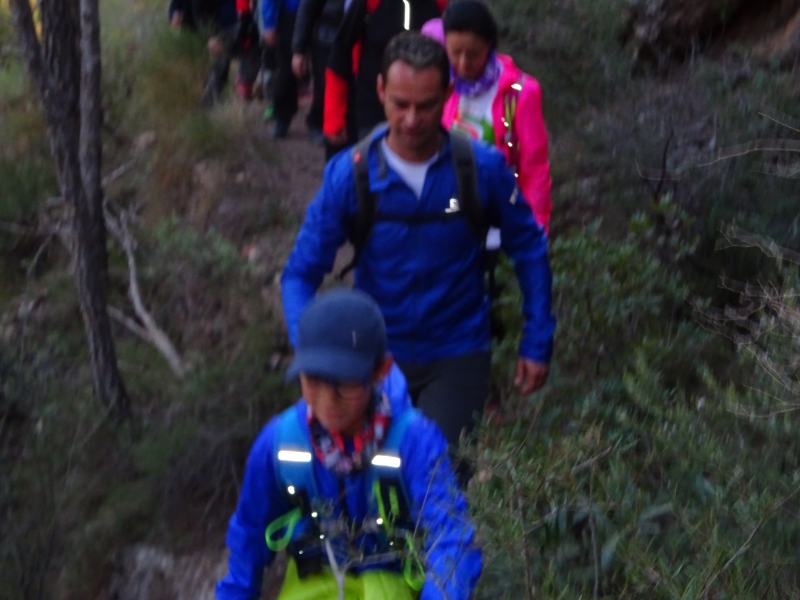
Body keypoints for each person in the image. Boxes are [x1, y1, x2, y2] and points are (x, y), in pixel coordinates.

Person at [281, 32, 555, 451]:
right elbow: (300, 274)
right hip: (374, 356)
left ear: (447, 94)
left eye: (425, 105)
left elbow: (530, 249)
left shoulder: (482, 169)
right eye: (400, 104)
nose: (412, 120)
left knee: (438, 471)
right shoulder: (350, 175)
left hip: (457, 352)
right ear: (380, 91)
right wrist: (313, 352)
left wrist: (537, 341)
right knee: (371, 476)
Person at [215, 288, 481, 600]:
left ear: (380, 370)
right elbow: (249, 535)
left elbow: (452, 536)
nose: (328, 401)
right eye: (313, 381)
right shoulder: (279, 442)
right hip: (312, 587)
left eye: (345, 383)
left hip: (391, 587)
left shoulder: (414, 441)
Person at [437, 0, 552, 230]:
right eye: (455, 53)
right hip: (450, 218)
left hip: (500, 215)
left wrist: (535, 228)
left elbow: (535, 168)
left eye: (472, 54)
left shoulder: (520, 92)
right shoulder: (441, 85)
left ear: (489, 45)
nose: (463, 63)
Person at [322, 0, 446, 150]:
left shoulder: (440, 4)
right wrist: (333, 115)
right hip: (372, 105)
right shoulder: (371, 2)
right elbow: (341, 51)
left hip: (424, 107)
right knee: (373, 159)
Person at [169, 0, 262, 106]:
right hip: (210, 28)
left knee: (255, 41)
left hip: (239, 22)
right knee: (218, 59)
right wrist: (208, 36)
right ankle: (210, 101)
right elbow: (193, 12)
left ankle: (245, 83)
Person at [290, 0, 346, 152]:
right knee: (324, 87)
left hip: (356, 37)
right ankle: (317, 123)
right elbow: (307, 10)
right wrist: (299, 50)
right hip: (327, 39)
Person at [260, 0, 303, 137]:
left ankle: (321, 122)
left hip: (322, 13)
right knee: (286, 70)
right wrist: (269, 24)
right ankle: (283, 117)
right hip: (290, 15)